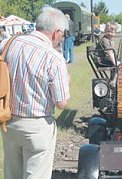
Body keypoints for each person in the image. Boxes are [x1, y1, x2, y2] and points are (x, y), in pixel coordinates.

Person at [0, 7, 70, 179]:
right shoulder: (54, 58)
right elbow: (62, 103)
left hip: (8, 122)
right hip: (37, 126)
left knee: (12, 175)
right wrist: (67, 82)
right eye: (62, 34)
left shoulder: (8, 44)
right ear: (56, 33)